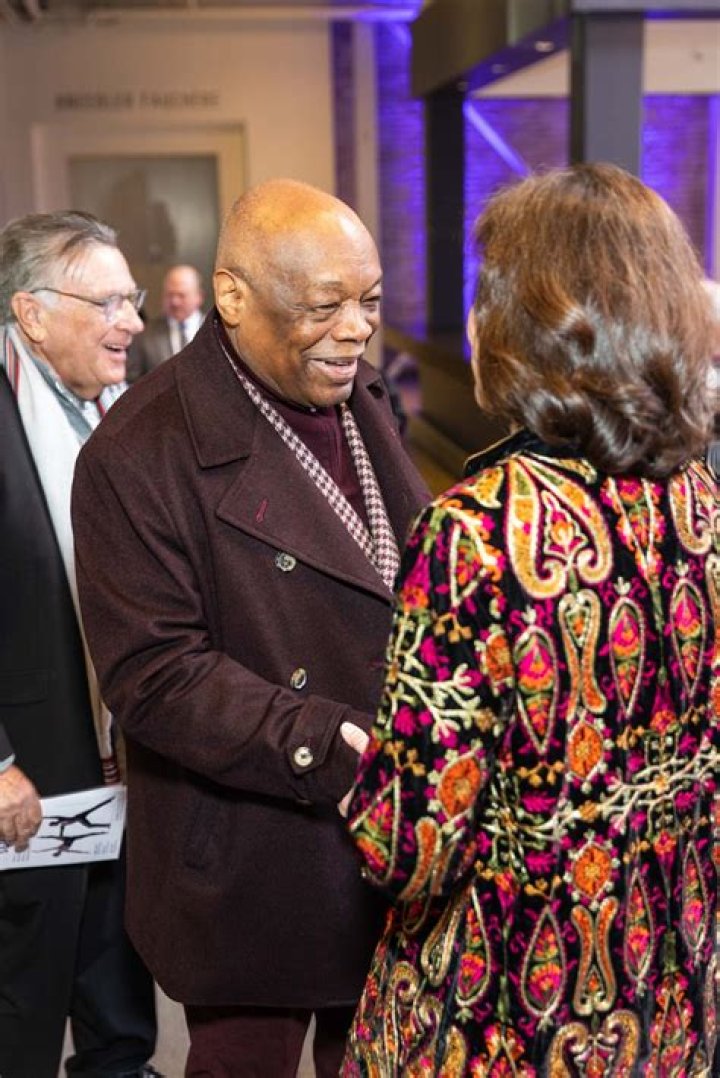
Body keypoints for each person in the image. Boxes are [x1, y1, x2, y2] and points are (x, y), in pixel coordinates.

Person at [341, 163, 719, 1076]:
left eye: (488, 295)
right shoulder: (700, 502)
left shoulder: (477, 531)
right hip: (668, 987)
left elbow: (410, 842)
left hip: (511, 1003)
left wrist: (367, 777)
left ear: (527, 328)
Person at [71, 178, 430, 1076]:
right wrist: (333, 743)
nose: (356, 329)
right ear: (232, 297)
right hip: (253, 851)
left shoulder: (366, 395)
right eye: (325, 306)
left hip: (390, 839)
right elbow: (155, 674)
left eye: (370, 301)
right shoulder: (136, 451)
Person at [0, 211, 161, 1078]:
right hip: (24, 782)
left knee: (119, 1009)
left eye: (132, 299)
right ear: (30, 313)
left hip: (116, 772)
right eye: (107, 303)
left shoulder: (121, 413)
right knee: (21, 1011)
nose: (130, 321)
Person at [126, 263, 205, 382]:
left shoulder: (217, 331)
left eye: (181, 295)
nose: (175, 302)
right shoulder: (144, 335)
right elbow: (132, 380)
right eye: (170, 295)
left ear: (199, 297)